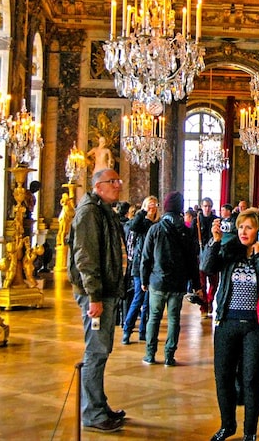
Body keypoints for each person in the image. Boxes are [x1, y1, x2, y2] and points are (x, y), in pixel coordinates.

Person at [202, 209, 259, 441]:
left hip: (255, 327)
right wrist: (215, 242)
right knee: (224, 377)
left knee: (251, 380)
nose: (243, 232)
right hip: (227, 322)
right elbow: (208, 267)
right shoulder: (230, 250)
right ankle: (227, 425)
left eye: (248, 227)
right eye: (240, 227)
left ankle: (250, 431)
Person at [67, 168, 127, 432]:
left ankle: (99, 405)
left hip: (105, 291)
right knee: (96, 352)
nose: (119, 185)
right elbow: (86, 258)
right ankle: (92, 412)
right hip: (97, 294)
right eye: (113, 181)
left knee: (101, 351)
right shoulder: (89, 212)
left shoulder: (102, 209)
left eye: (118, 180)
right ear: (99, 186)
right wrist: (94, 296)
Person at [141, 190, 201, 366]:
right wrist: (196, 284)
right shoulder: (186, 230)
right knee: (174, 319)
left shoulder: (155, 229)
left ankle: (150, 355)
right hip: (178, 283)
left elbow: (146, 258)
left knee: (153, 318)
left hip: (157, 282)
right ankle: (169, 357)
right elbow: (192, 260)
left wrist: (144, 280)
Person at [122, 195, 158, 345]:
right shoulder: (141, 223)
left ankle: (143, 331)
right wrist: (144, 212)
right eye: (149, 205)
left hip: (153, 267)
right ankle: (127, 330)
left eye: (154, 205)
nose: (152, 207)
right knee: (138, 298)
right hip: (139, 266)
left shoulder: (157, 224)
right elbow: (134, 226)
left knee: (148, 302)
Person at [197, 197, 220, 318]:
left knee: (214, 283)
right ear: (201, 206)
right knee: (201, 285)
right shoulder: (197, 221)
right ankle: (203, 306)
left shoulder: (216, 220)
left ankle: (210, 300)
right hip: (200, 255)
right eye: (205, 206)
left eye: (209, 206)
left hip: (213, 255)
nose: (207, 208)